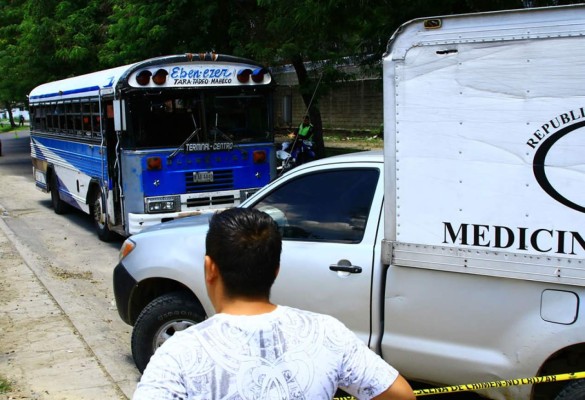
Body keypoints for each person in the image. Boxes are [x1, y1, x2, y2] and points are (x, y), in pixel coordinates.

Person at [134, 208, 414, 400]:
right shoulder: (327, 333)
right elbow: (401, 394)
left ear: (210, 269)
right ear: (276, 269)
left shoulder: (178, 354)